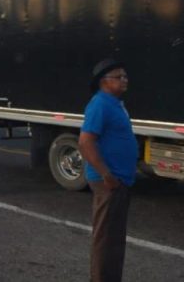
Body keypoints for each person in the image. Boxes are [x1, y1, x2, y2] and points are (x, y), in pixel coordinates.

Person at [78, 59, 138, 282]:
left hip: (120, 180)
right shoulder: (100, 104)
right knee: (106, 239)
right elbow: (86, 142)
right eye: (118, 77)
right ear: (104, 81)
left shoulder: (115, 103)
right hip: (109, 182)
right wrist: (106, 174)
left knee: (114, 239)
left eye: (125, 76)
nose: (124, 80)